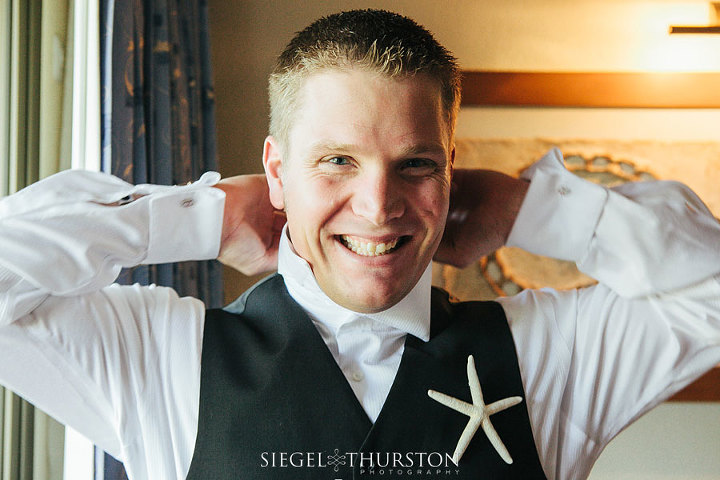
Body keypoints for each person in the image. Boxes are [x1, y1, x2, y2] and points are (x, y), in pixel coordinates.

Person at [1, 8, 719, 480]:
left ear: (449, 170)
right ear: (279, 172)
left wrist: (529, 210)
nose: (378, 207)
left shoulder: (548, 354)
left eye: (414, 164)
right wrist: (201, 215)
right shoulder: (160, 358)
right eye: (337, 160)